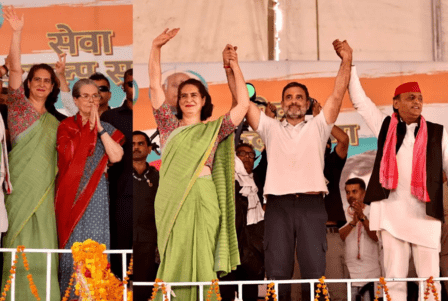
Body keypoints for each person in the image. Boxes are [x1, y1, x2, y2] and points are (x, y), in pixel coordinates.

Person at [244, 40, 352, 301]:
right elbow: (243, 103)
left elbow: (337, 94)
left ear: (307, 103)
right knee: (277, 270)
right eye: (289, 97)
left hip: (311, 205)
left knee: (314, 271)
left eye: (299, 97)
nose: (294, 101)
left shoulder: (319, 126)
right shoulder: (270, 128)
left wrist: (346, 60)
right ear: (281, 103)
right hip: (278, 207)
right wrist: (232, 67)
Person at [149, 28, 249, 300]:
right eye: (184, 96)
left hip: (205, 198)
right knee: (173, 255)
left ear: (203, 100)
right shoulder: (168, 127)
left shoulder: (214, 129)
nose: (189, 99)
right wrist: (155, 48)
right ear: (178, 102)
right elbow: (155, 86)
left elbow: (243, 104)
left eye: (195, 95)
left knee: (203, 256)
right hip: (171, 200)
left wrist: (234, 66)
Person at [348, 63, 448, 301]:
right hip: (392, 215)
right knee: (394, 279)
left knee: (430, 280)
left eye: (420, 98)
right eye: (411, 97)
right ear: (396, 103)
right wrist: (349, 65)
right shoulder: (385, 127)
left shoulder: (437, 133)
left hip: (426, 215)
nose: (417, 102)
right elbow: (360, 101)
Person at [1, 7, 64, 300]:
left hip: (45, 194)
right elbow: (14, 68)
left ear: (53, 88)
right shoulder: (18, 109)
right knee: (17, 244)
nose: (41, 83)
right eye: (36, 79)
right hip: (19, 193)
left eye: (47, 81)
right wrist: (17, 32)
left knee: (45, 244)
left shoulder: (57, 122)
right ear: (28, 83)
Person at [55, 78, 124, 297]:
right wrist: (86, 130)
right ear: (75, 100)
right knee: (71, 249)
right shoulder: (66, 126)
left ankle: (95, 295)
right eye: (85, 95)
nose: (91, 100)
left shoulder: (108, 128)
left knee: (95, 246)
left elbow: (116, 155)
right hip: (70, 195)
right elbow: (68, 157)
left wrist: (99, 128)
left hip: (96, 197)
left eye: (95, 95)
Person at [220, 143, 265, 301]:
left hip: (252, 246)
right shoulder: (226, 179)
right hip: (230, 242)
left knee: (250, 291)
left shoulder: (258, 179)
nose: (247, 157)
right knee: (225, 291)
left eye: (251, 155)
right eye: (242, 153)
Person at [100, 68, 133, 279]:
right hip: (120, 193)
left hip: (155, 193)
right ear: (123, 87)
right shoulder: (110, 117)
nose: (135, 87)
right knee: (120, 253)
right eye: (131, 83)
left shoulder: (154, 114)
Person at [339, 178, 381, 301]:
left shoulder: (374, 211)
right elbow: (338, 237)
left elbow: (376, 237)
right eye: (347, 192)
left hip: (372, 275)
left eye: (354, 191)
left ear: (364, 193)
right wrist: (353, 222)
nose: (350, 195)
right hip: (348, 276)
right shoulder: (342, 213)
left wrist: (362, 217)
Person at [133, 130, 160, 301]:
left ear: (149, 149)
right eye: (133, 144)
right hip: (122, 237)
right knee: (118, 282)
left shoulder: (158, 176)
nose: (136, 147)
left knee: (144, 286)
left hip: (148, 240)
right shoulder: (120, 174)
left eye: (141, 144)